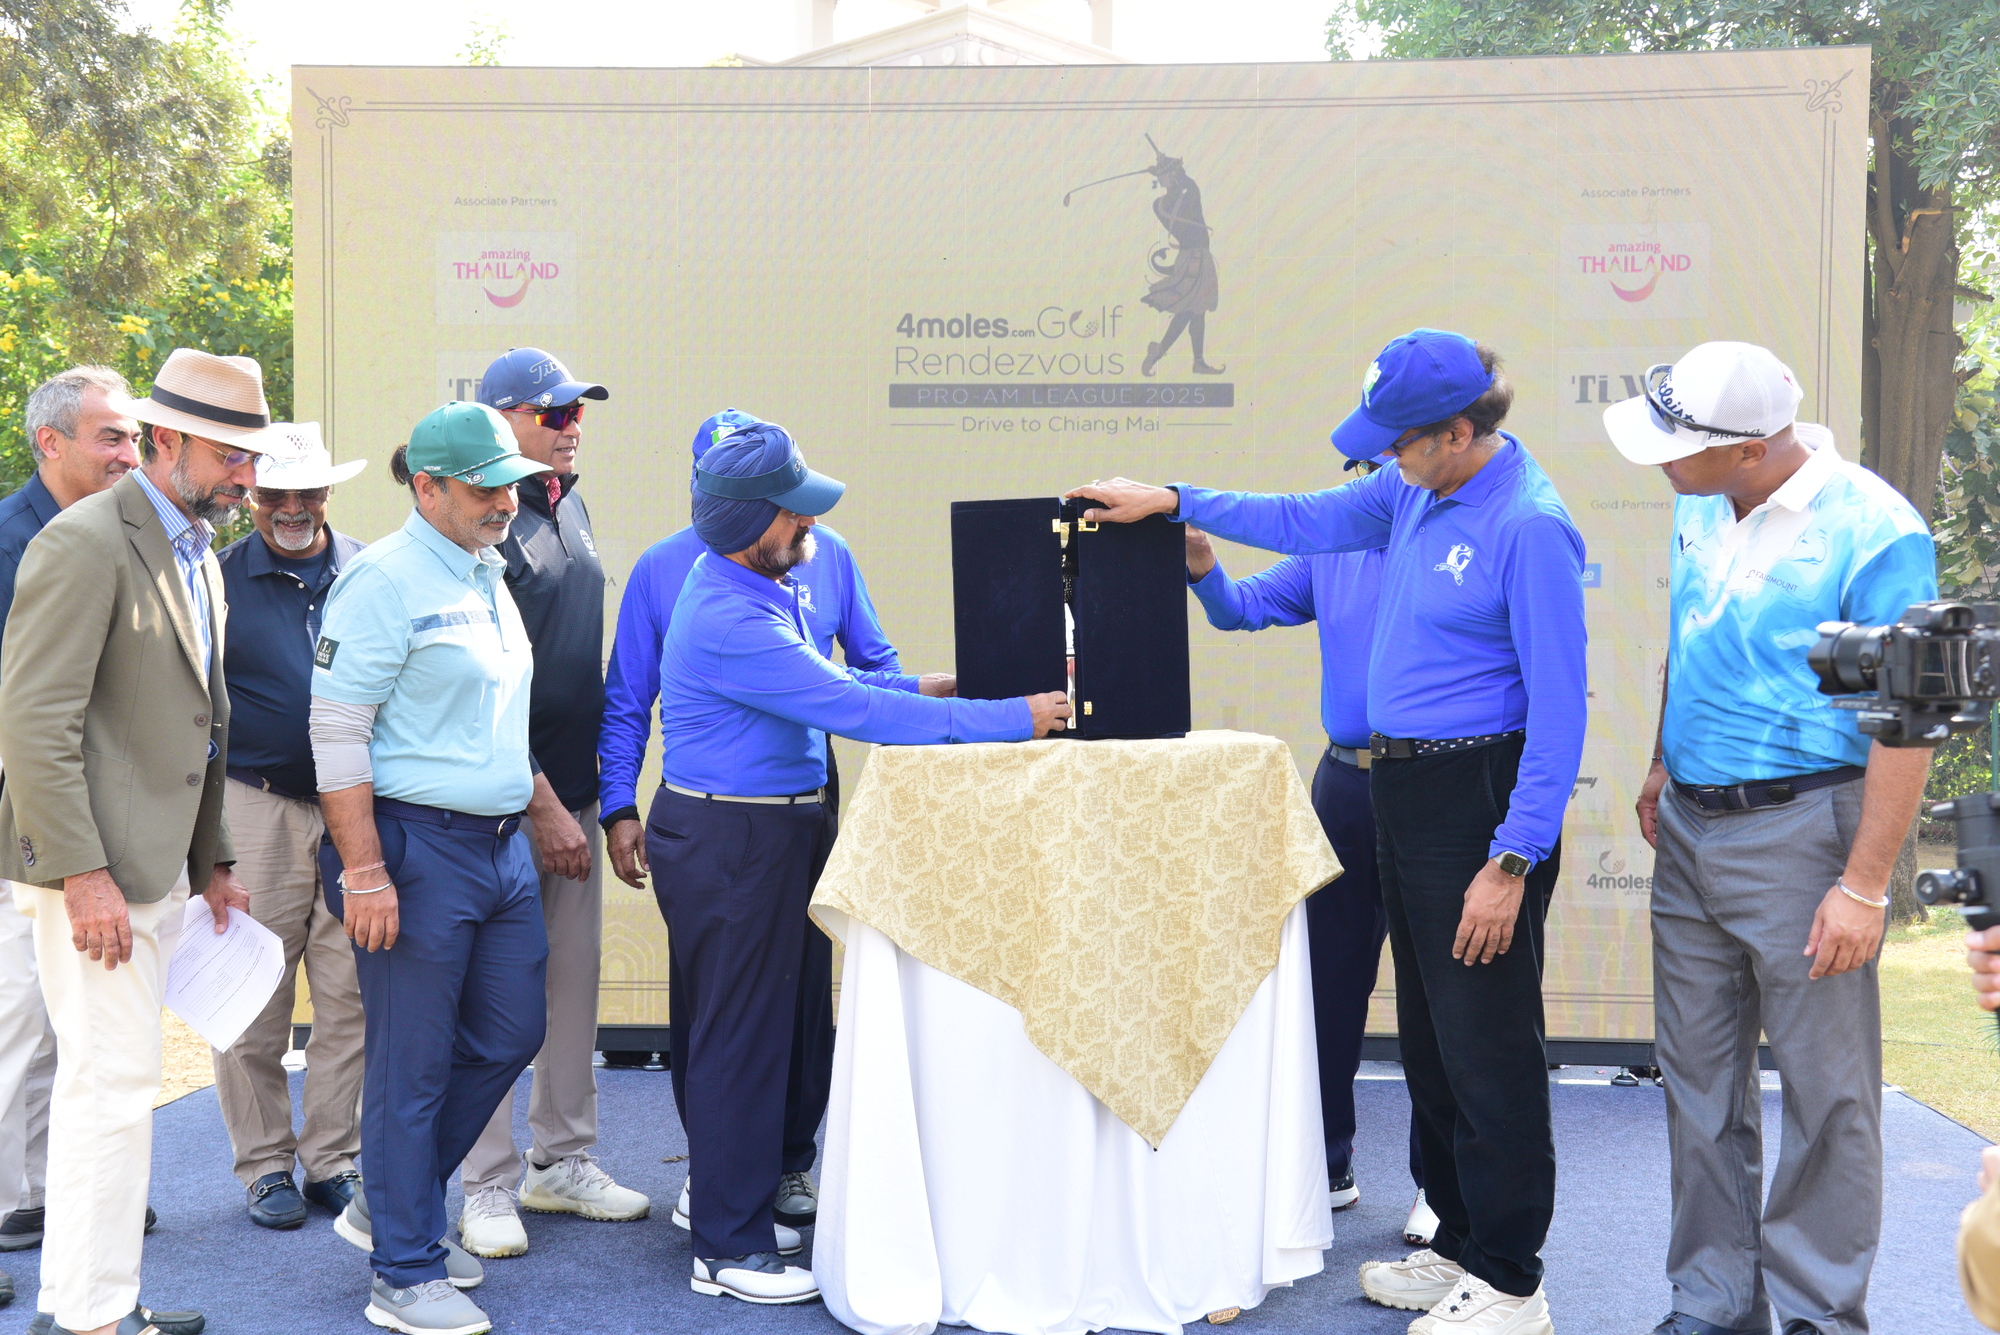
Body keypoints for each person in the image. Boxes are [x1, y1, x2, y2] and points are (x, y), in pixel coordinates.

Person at [1068, 327, 1586, 1335]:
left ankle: (1511, 1281)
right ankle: (1457, 1248)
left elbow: (1561, 709)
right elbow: (1299, 517)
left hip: (1477, 797)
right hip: (1402, 789)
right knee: (1431, 1040)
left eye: (1398, 440)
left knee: (1487, 1048)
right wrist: (1174, 500)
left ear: (1456, 431)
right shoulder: (1410, 491)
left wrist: (1512, 857)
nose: (1382, 457)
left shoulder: (1527, 524)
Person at [654, 422, 1069, 1304]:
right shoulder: (734, 615)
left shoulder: (748, 583)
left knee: (762, 1033)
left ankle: (737, 1211)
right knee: (738, 1040)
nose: (809, 523)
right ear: (750, 522)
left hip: (757, 833)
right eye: (793, 511)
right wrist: (1016, 717)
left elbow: (838, 683)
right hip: (734, 842)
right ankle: (726, 1247)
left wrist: (933, 686)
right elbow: (853, 710)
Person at [1607, 342, 1935, 1335]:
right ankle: (1711, 1304)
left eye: (1676, 445)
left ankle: (1817, 1317)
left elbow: (1907, 720)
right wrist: (1660, 761)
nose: (1659, 460)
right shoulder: (1701, 499)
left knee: (1827, 1099)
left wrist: (1865, 884)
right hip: (1689, 826)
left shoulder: (1876, 531)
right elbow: (1689, 637)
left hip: (1807, 834)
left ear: (1749, 448)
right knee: (1697, 1083)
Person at [0, 348, 288, 1335]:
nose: (247, 475)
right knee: (112, 1087)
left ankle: (90, 1302)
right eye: (230, 455)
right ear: (167, 441)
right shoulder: (85, 541)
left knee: (112, 1087)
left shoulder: (194, 549)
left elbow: (201, 723)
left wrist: (215, 861)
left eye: (251, 456)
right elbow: (33, 724)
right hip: (91, 872)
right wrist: (83, 874)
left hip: (158, 867)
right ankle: (90, 1315)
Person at [599, 407, 942, 1236]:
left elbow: (872, 669)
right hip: (721, 805)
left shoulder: (820, 551)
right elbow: (629, 699)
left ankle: (781, 1162)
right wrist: (618, 805)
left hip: (803, 795)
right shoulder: (675, 572)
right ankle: (723, 1179)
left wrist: (930, 699)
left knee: (798, 999)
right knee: (724, 1010)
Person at [311, 402, 558, 1335]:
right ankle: (404, 1270)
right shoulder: (382, 579)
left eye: (511, 484)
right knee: (409, 1066)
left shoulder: (488, 569)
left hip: (498, 850)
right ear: (427, 487)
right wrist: (364, 871)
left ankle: (390, 1199)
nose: (507, 500)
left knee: (511, 1031)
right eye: (485, 487)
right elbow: (337, 732)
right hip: (412, 851)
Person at [1180, 478, 1433, 1237]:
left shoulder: (1450, 539)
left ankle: (1442, 1186)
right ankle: (1327, 1162)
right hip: (1344, 786)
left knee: (1435, 995)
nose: (1368, 477)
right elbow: (1241, 608)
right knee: (1328, 985)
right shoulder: (1332, 542)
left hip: (1431, 787)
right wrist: (1204, 567)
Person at [455, 347, 649, 1257]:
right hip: (499, 808)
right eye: (554, 413)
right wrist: (542, 806)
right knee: (497, 997)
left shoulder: (570, 505)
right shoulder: (485, 524)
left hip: (572, 797)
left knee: (571, 987)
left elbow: (586, 671)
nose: (573, 427)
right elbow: (479, 685)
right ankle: (486, 1181)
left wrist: (605, 802)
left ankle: (560, 1160)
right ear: (504, 422)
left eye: (579, 412)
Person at [0, 368, 144, 1299]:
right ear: (49, 442)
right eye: (110, 436)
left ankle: (56, 1198)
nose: (129, 453)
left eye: (133, 436)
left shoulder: (120, 533)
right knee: (15, 1024)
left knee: (67, 1031)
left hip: (88, 825)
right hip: (23, 827)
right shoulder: (11, 540)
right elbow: (26, 711)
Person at [211, 424, 369, 1231]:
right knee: (251, 993)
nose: (294, 507)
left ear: (330, 493)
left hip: (358, 807)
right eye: (277, 493)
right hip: (255, 802)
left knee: (352, 995)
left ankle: (332, 1158)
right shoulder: (216, 576)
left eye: (309, 492)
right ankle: (265, 1163)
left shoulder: (370, 571)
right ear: (253, 498)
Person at [1138, 154, 1223, 377]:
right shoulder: (1183, 195)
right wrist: (1173, 168)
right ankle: (1164, 353)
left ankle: (1192, 360)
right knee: (1191, 311)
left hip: (1192, 258)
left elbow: (1183, 186)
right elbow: (1187, 185)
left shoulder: (1162, 204)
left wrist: (1167, 167)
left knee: (1195, 311)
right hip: (1196, 258)